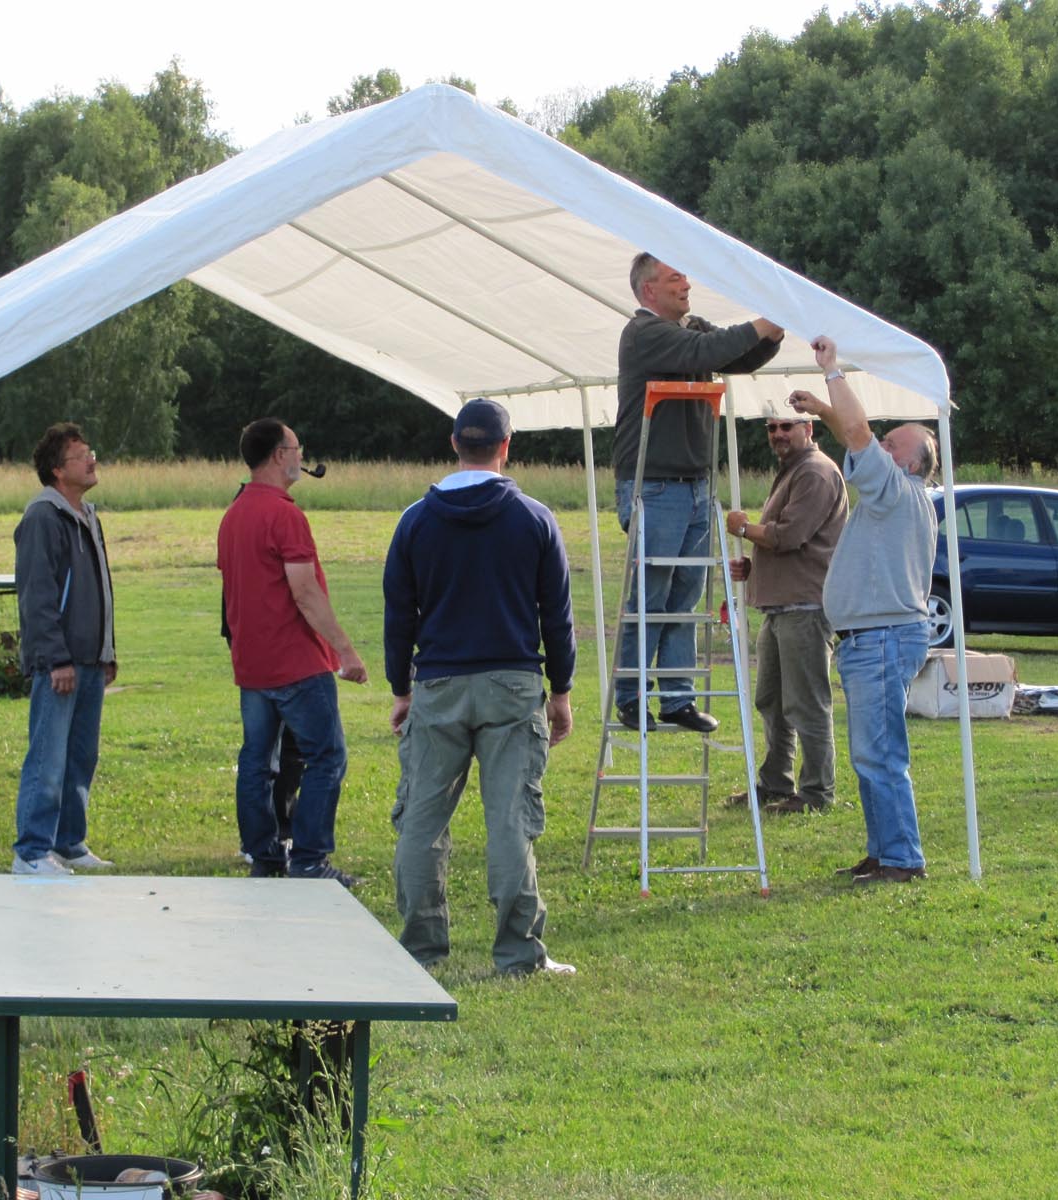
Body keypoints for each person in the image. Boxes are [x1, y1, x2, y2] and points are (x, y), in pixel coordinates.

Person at [384, 399, 579, 976]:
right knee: (511, 820)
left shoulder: (416, 520)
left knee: (422, 821)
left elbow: (400, 615)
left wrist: (402, 688)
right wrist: (562, 690)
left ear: (453, 445)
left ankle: (421, 951)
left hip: (439, 683)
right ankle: (518, 954)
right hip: (513, 684)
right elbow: (557, 616)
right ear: (506, 446)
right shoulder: (535, 518)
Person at [613, 252, 784, 733]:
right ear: (648, 290)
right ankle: (631, 697)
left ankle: (676, 699)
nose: (686, 283)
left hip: (691, 485)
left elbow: (738, 354)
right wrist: (767, 318)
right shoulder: (645, 333)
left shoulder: (688, 329)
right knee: (652, 593)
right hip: (654, 482)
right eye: (674, 278)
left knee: (684, 595)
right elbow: (707, 352)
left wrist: (777, 329)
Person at [789, 336, 938, 884]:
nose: (880, 446)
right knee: (871, 753)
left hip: (879, 637)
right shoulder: (897, 492)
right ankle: (884, 851)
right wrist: (825, 410)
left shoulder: (893, 490)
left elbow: (856, 435)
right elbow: (853, 434)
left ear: (912, 462)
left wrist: (832, 370)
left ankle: (902, 858)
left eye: (892, 443)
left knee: (879, 754)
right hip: (877, 637)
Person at [217, 418, 367, 885]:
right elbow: (304, 592)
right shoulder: (285, 515)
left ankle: (265, 857)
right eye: (297, 448)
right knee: (327, 756)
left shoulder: (234, 513)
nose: (302, 457)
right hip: (297, 663)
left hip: (252, 664)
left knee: (258, 762)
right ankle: (310, 860)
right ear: (280, 454)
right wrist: (345, 651)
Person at [724, 414, 848, 814]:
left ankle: (816, 793)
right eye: (772, 428)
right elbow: (789, 543)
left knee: (807, 704)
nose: (778, 434)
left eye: (787, 426)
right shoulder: (793, 471)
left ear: (809, 429)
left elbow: (790, 535)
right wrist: (753, 567)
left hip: (806, 608)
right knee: (772, 701)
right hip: (780, 607)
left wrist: (745, 530)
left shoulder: (815, 473)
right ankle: (776, 783)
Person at [11, 423, 117, 876]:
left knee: (80, 756)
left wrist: (106, 649)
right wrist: (57, 658)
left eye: (90, 451)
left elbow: (99, 589)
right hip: (61, 662)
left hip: (90, 660)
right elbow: (38, 595)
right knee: (48, 757)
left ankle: (69, 841)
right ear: (57, 470)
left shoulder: (88, 514)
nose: (91, 459)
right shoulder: (43, 517)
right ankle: (32, 852)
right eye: (80, 455)